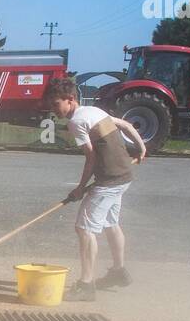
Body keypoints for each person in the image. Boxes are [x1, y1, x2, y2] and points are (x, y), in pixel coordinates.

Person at [42, 78, 147, 301]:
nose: (53, 109)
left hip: (108, 180)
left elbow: (91, 157)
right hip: (124, 176)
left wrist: (80, 188)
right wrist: (142, 147)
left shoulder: (76, 122)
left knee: (84, 229)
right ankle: (119, 272)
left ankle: (86, 285)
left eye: (56, 104)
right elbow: (127, 126)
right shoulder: (94, 111)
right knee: (110, 223)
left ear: (70, 99)